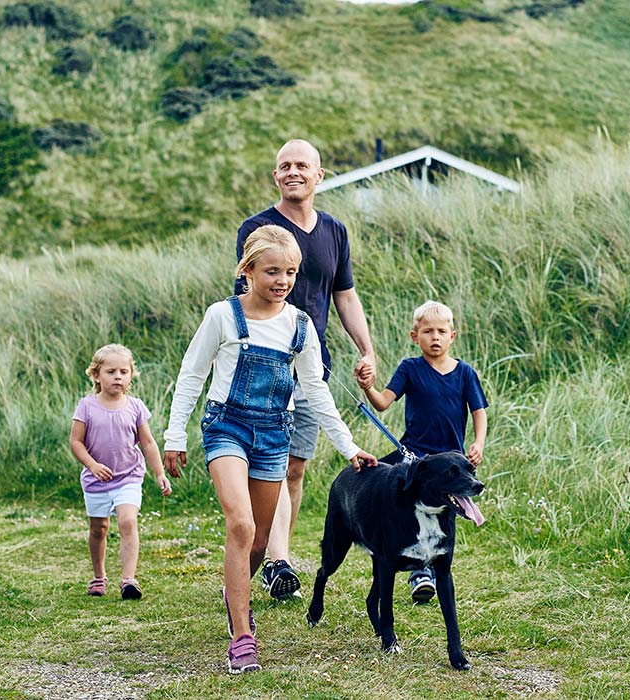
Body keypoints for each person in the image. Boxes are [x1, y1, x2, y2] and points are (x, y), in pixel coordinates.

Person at [162, 225, 378, 674]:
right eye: (272, 271)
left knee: (260, 539)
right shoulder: (222, 316)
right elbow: (191, 375)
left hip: (274, 433)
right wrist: (174, 435)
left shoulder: (299, 325)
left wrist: (348, 446)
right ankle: (242, 636)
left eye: (291, 273)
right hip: (227, 427)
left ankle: (234, 588)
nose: (282, 281)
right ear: (248, 270)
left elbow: (316, 390)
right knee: (240, 524)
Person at [233, 139, 377, 601]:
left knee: (294, 469)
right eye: (284, 166)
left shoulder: (334, 231)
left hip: (313, 368)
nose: (293, 171)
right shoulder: (257, 228)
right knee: (268, 470)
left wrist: (366, 349)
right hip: (265, 369)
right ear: (276, 176)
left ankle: (279, 558)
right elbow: (243, 296)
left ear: (320, 175)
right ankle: (273, 559)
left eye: (302, 165)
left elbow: (345, 295)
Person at [355, 300, 488, 603]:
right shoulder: (410, 368)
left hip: (453, 467)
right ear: (415, 337)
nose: (435, 337)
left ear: (453, 336)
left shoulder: (465, 373)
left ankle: (432, 567)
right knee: (405, 514)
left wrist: (478, 443)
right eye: (427, 331)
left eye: (442, 331)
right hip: (415, 462)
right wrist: (367, 387)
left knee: (445, 519)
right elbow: (383, 402)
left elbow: (479, 411)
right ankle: (416, 569)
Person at [69, 343, 173, 601]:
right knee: (98, 528)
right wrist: (92, 465)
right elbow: (76, 442)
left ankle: (129, 580)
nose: (118, 376)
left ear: (131, 376)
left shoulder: (135, 407)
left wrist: (159, 473)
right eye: (111, 371)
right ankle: (98, 576)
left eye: (124, 372)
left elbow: (148, 443)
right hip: (96, 481)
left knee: (128, 521)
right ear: (96, 375)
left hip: (128, 477)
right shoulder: (87, 406)